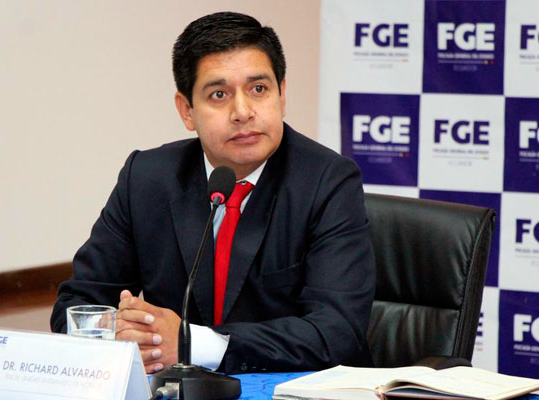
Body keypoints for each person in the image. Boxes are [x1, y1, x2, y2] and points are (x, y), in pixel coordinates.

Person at [51, 11, 375, 375]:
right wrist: (120, 336)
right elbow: (77, 304)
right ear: (187, 111)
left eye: (259, 89)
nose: (243, 112)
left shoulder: (327, 182)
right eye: (219, 94)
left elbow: (336, 331)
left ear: (282, 95)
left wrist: (192, 343)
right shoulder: (146, 178)